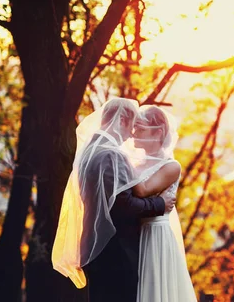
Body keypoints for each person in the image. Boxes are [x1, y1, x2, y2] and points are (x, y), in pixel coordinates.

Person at [52, 97, 176, 302]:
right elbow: (122, 206)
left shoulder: (90, 150)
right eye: (131, 126)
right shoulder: (111, 155)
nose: (130, 135)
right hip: (115, 251)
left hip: (96, 245)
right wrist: (159, 204)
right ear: (123, 121)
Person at [130, 105, 197, 302]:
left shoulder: (170, 166)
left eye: (140, 128)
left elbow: (142, 190)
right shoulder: (135, 164)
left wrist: (122, 162)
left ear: (158, 131)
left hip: (155, 236)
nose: (134, 133)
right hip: (134, 233)